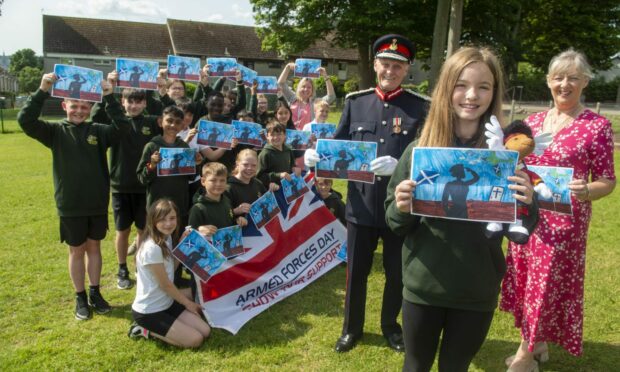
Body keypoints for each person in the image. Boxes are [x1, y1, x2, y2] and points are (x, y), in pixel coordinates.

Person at [384, 46, 539, 372]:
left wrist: (527, 202)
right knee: (415, 366)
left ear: (494, 93)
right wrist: (401, 205)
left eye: (484, 86)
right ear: (446, 89)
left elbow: (521, 233)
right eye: (462, 84)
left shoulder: (504, 158)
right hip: (422, 286)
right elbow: (395, 223)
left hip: (475, 290)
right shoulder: (419, 151)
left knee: (455, 367)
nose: (472, 95)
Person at [306, 34, 429, 353]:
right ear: (375, 65)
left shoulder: (420, 107)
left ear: (407, 70)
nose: (390, 71)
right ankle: (351, 329)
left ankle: (390, 326)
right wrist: (318, 160)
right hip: (360, 206)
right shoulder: (355, 102)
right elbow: (338, 148)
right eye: (385, 64)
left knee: (396, 274)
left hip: (398, 208)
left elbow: (430, 158)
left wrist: (402, 164)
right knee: (355, 273)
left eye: (397, 66)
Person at [500, 49, 616, 372]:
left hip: (565, 224)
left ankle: (525, 357)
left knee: (547, 283)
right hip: (527, 217)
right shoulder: (533, 122)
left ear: (585, 83)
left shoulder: (597, 126)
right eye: (558, 78)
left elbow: (607, 180)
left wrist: (586, 191)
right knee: (527, 280)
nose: (565, 84)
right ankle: (537, 342)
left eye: (573, 78)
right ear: (549, 81)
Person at [18, 71, 129, 320]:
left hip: (96, 203)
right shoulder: (54, 132)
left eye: (83, 106)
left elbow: (122, 127)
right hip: (70, 204)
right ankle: (80, 297)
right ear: (64, 105)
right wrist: (42, 89)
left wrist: (109, 96)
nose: (79, 111)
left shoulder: (98, 131)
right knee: (76, 251)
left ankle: (95, 293)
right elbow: (25, 121)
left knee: (95, 248)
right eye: (74, 106)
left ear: (90, 106)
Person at [90, 74, 162, 290]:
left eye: (138, 101)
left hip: (144, 186)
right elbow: (95, 117)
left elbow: (167, 114)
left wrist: (159, 86)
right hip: (120, 186)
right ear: (123, 102)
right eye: (130, 101)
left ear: (144, 103)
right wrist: (107, 91)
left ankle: (139, 265)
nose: (134, 105)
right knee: (122, 231)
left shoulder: (151, 122)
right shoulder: (115, 123)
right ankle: (122, 268)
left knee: (142, 231)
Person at [128, 199, 211, 348]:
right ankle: (144, 329)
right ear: (153, 220)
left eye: (172, 218)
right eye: (162, 219)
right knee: (195, 340)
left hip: (167, 303)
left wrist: (181, 244)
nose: (168, 223)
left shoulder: (166, 238)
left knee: (205, 331)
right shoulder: (151, 248)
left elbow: (170, 270)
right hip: (150, 311)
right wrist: (188, 304)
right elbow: (166, 285)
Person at [136, 105, 202, 230]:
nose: (173, 125)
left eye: (177, 122)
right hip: (157, 205)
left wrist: (196, 164)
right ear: (161, 122)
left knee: (177, 240)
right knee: (158, 241)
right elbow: (142, 178)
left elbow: (191, 176)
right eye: (169, 121)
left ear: (182, 125)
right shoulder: (152, 146)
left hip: (179, 205)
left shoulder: (185, 147)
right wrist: (152, 165)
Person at [188, 163, 248, 245]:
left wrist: (238, 221)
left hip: (228, 248)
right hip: (210, 254)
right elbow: (189, 236)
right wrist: (199, 230)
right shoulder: (198, 209)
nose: (218, 184)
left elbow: (228, 221)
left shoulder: (226, 200)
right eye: (213, 180)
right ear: (203, 181)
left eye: (222, 180)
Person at [277, 63, 336, 129]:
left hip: (307, 135)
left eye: (309, 87)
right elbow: (280, 83)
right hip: (290, 133)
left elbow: (331, 96)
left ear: (312, 90)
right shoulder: (292, 97)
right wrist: (287, 67)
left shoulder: (316, 102)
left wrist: (325, 76)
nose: (306, 89)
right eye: (303, 86)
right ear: (299, 87)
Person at [257, 121, 300, 187]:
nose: (276, 137)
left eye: (279, 134)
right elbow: (259, 177)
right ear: (267, 136)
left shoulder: (288, 150)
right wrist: (279, 175)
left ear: (284, 135)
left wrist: (294, 169)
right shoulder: (264, 154)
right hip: (273, 191)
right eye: (272, 135)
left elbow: (292, 166)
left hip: (288, 189)